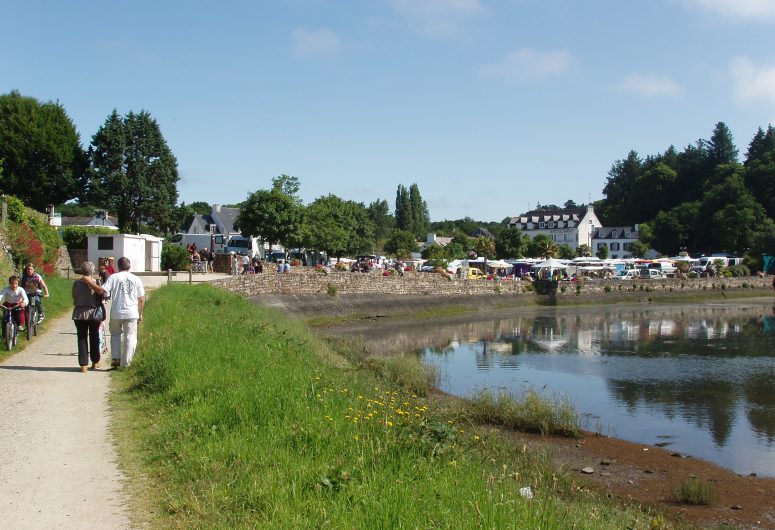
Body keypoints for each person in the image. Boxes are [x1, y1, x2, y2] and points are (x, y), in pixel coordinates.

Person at [96, 257, 145, 368]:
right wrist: (140, 314)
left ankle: (116, 358)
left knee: (115, 334)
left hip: (117, 311)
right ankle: (126, 363)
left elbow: (103, 290)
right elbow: (141, 298)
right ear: (129, 266)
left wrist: (91, 284)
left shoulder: (114, 277)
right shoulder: (136, 279)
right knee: (130, 336)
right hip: (132, 312)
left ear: (118, 266)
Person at [72, 262, 104, 373]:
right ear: (92, 271)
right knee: (94, 337)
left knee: (81, 338)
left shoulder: (76, 283)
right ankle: (95, 362)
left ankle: (83, 364)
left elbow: (74, 296)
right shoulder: (96, 283)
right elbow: (101, 294)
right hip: (93, 313)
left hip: (79, 313)